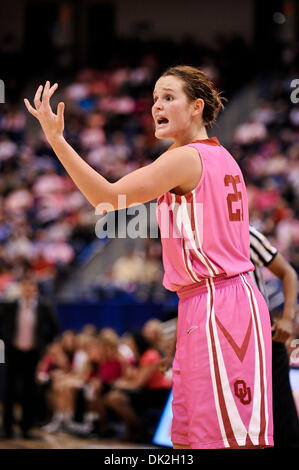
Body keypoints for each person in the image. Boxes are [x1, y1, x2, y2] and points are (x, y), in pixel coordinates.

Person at [24, 66, 273, 449]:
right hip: (204, 302)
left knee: (223, 441)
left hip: (220, 303)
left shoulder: (185, 159)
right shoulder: (216, 157)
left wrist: (57, 140)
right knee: (188, 440)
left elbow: (105, 199)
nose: (157, 105)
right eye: (155, 98)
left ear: (196, 107)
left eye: (169, 97)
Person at [248, 226, 299, 448]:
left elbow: (288, 273)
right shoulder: (189, 237)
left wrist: (287, 317)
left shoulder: (244, 232)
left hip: (262, 338)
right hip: (222, 342)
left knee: (281, 422)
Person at [0, 275, 59, 439]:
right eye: (25, 286)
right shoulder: (11, 306)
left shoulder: (43, 306)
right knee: (8, 391)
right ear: (20, 288)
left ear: (35, 289)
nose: (28, 290)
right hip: (12, 353)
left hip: (32, 354)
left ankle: (26, 428)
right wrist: (4, 342)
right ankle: (7, 429)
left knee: (29, 391)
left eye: (31, 286)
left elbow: (54, 327)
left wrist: (43, 344)